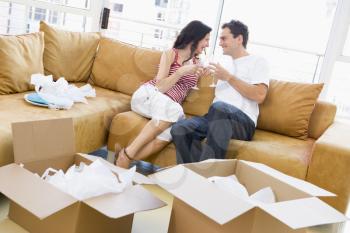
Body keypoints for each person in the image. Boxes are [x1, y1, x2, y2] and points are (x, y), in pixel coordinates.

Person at [115, 20, 212, 168]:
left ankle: (124, 157)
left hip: (166, 108)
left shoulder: (197, 61)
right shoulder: (170, 54)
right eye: (206, 39)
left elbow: (202, 73)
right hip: (149, 96)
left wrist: (205, 72)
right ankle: (129, 153)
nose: (207, 44)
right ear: (195, 38)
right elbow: (160, 87)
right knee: (176, 111)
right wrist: (180, 71)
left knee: (169, 134)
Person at [171, 20, 269, 163]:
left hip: (242, 122)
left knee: (219, 108)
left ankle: (207, 178)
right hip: (214, 116)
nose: (220, 43)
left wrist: (228, 77)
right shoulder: (223, 64)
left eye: (224, 38)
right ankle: (194, 175)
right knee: (180, 128)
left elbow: (260, 95)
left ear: (239, 39)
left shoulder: (257, 61)